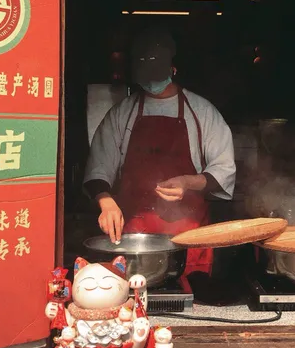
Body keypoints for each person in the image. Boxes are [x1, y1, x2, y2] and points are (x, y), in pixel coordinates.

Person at [83, 27, 236, 276]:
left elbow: (224, 168)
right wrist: (106, 201)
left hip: (189, 231)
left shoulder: (202, 111)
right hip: (134, 233)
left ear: (173, 68)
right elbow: (99, 164)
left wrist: (189, 181)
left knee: (192, 294)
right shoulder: (123, 113)